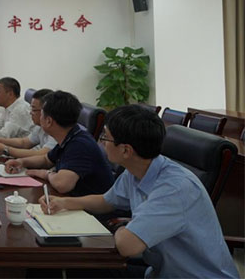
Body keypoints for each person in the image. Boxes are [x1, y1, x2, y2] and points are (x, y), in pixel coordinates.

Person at [39, 105, 238, 279]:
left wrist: (121, 228)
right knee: (79, 267)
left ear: (126, 150)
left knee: (82, 267)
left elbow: (128, 246)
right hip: (160, 272)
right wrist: (64, 203)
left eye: (105, 137)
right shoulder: (137, 170)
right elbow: (107, 201)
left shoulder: (174, 189)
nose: (102, 143)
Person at [5, 90, 113, 196]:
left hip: (88, 206)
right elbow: (46, 160)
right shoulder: (70, 135)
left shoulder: (80, 144)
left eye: (41, 114)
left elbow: (62, 184)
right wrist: (21, 162)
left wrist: (44, 174)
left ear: (49, 121)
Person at [0, 88, 57, 158]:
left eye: (34, 109)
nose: (30, 113)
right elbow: (24, 142)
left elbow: (42, 155)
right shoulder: (39, 126)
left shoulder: (56, 131)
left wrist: (6, 150)